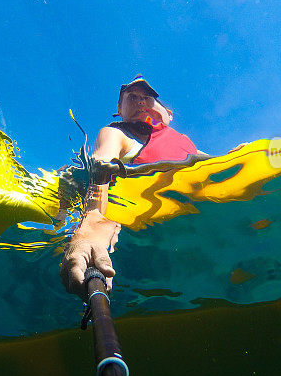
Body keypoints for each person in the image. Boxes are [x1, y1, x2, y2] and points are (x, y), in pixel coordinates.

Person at [60, 76, 199, 297]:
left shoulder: (185, 142)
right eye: (132, 97)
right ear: (119, 109)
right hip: (143, 225)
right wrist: (90, 230)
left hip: (191, 217)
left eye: (148, 98)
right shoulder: (117, 134)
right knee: (68, 178)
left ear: (168, 114)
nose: (141, 102)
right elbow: (101, 169)